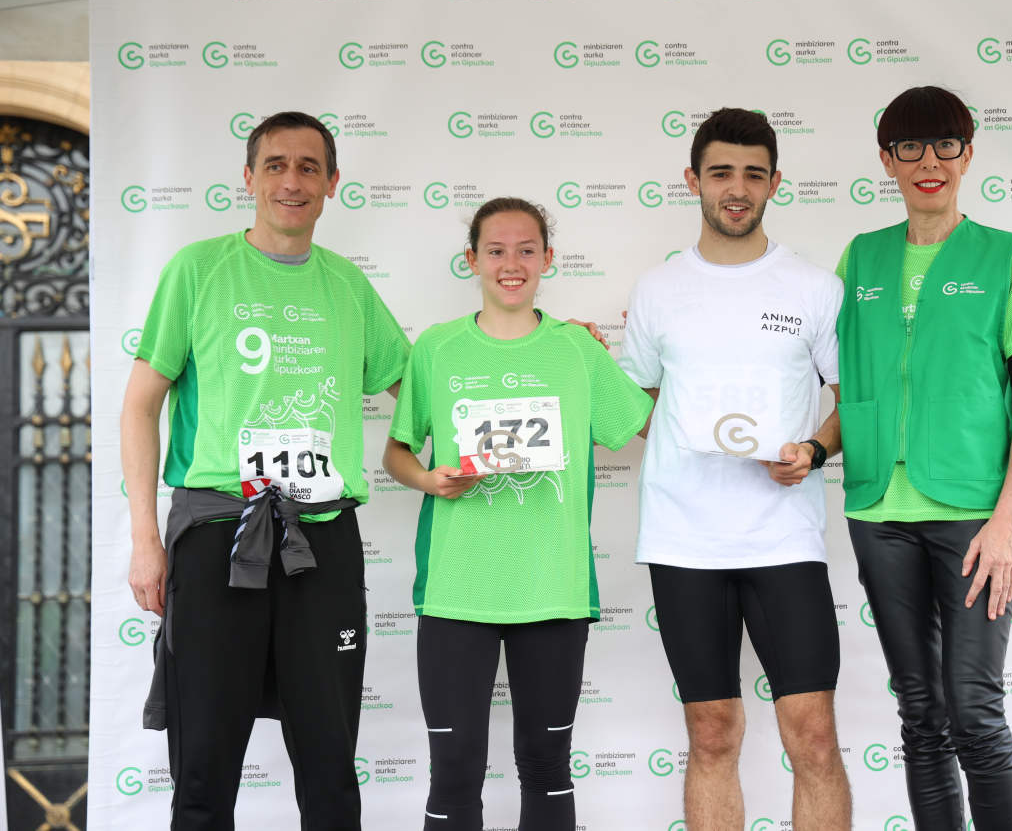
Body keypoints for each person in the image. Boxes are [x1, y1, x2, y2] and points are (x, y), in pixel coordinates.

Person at [121, 111, 411, 829]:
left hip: (325, 542)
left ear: (332, 183)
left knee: (330, 768)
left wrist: (535, 349)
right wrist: (145, 541)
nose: (292, 180)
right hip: (220, 532)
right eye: (276, 165)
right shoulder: (198, 270)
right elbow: (138, 408)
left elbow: (423, 389)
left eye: (309, 167)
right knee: (205, 769)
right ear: (248, 179)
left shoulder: (348, 286)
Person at [835, 86, 1012, 830]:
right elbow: (832, 379)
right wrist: (810, 447)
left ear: (968, 155)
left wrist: (1006, 523)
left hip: (974, 517)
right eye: (909, 147)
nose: (928, 162)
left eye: (945, 145)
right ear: (886, 160)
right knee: (921, 712)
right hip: (878, 512)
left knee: (973, 711)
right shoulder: (860, 257)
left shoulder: (1005, 255)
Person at [382, 197, 653, 831]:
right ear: (472, 259)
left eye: (527, 249)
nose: (512, 263)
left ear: (548, 259)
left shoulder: (575, 350)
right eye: (497, 250)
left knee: (547, 767)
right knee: (453, 775)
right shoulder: (437, 349)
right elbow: (397, 451)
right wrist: (426, 478)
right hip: (456, 590)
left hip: (552, 588)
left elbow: (642, 425)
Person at [620, 108, 851, 831]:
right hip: (685, 540)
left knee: (811, 735)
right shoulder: (657, 289)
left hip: (782, 536)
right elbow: (636, 403)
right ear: (693, 180)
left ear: (775, 183)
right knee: (713, 732)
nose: (737, 187)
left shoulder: (815, 289)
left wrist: (813, 450)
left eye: (754, 173)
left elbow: (851, 403)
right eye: (721, 172)